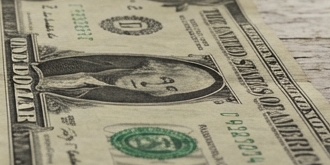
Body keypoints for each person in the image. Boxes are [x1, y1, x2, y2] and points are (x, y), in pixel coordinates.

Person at [34, 54, 223, 104]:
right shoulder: (86, 63)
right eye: (165, 79)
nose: (148, 84)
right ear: (156, 67)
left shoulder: (90, 92)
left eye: (169, 89)